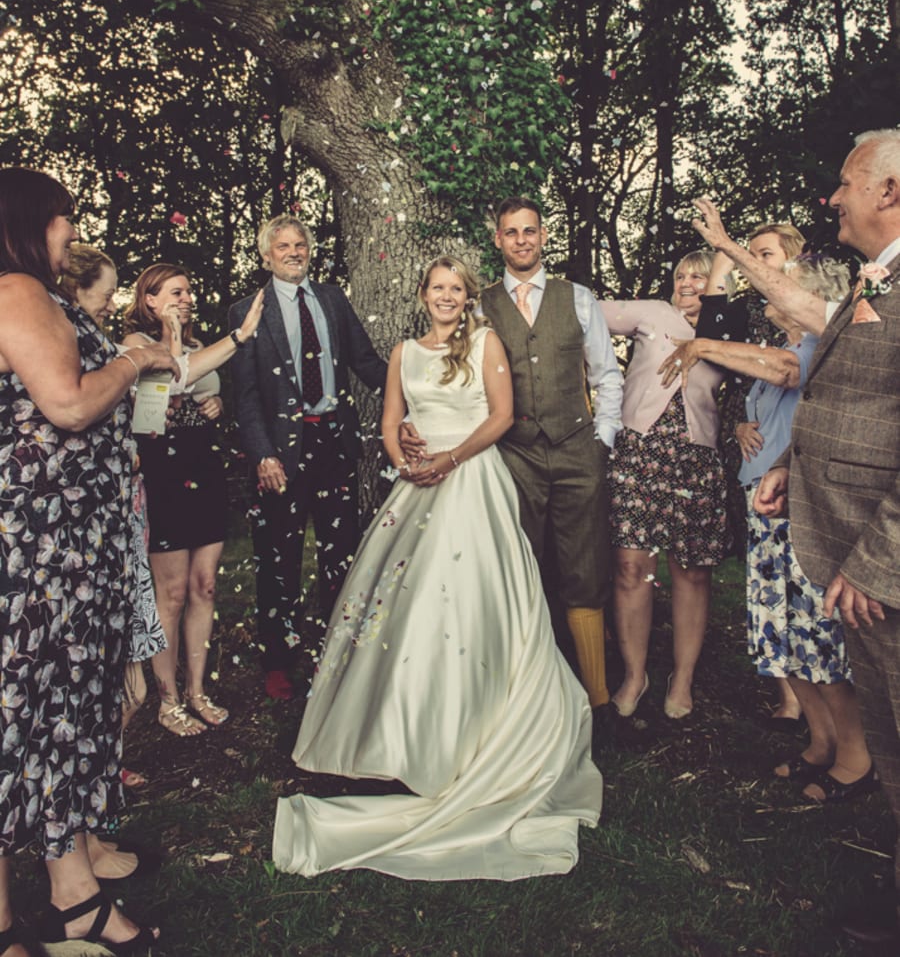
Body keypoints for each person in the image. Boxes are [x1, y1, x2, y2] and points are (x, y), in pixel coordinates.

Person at [272, 257, 603, 880]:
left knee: (470, 603)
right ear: (423, 294)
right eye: (437, 288)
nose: (446, 297)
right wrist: (403, 459)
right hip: (417, 486)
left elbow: (501, 416)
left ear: (465, 296)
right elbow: (389, 421)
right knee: (410, 609)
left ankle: (474, 731)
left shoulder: (484, 342)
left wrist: (449, 457)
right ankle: (404, 738)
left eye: (456, 289)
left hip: (472, 480)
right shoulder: (402, 351)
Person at [0, 167, 178, 956]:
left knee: (54, 717)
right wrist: (136, 362)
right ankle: (51, 910)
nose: (72, 231)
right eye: (63, 219)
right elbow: (67, 402)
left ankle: (69, 894)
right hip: (42, 553)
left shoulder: (38, 292)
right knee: (36, 713)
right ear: (29, 220)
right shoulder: (16, 291)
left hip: (68, 547)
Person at [754, 129, 900, 950]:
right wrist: (793, 469)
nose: (831, 197)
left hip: (884, 571)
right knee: (889, 734)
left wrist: (877, 563)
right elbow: (857, 405)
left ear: (887, 191)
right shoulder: (873, 281)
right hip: (847, 548)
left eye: (846, 183)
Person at [660, 256, 872, 800]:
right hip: (764, 504)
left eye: (784, 285)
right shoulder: (777, 345)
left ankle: (855, 757)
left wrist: (703, 344)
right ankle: (820, 743)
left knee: (816, 636)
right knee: (780, 635)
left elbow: (785, 372)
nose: (770, 292)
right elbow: (760, 395)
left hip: (804, 507)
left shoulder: (817, 347)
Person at [475, 197, 622, 748]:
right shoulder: (481, 307)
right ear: (498, 240)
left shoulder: (578, 299)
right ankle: (529, 699)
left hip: (577, 450)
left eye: (529, 231)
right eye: (510, 232)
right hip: (514, 457)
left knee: (586, 568)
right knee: (521, 571)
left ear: (543, 236)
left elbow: (607, 374)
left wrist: (601, 440)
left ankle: (599, 699)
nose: (521, 241)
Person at [228, 215, 387, 700]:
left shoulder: (333, 300)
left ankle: (335, 654)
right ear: (266, 255)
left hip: (334, 445)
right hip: (280, 452)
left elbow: (364, 360)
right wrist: (262, 454)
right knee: (279, 557)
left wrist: (419, 386)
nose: (293, 252)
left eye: (300, 244)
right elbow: (245, 393)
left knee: (341, 553)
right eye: (283, 246)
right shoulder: (245, 311)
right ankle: (279, 661)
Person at [122, 265, 264, 737]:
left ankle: (198, 690)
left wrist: (216, 406)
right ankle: (167, 699)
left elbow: (201, 383)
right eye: (176, 292)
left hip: (204, 469)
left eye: (189, 290)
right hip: (161, 474)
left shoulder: (204, 349)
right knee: (174, 592)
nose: (187, 297)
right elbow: (164, 388)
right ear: (150, 299)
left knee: (204, 585)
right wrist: (173, 337)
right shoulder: (133, 348)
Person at [601, 251, 726, 720]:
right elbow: (583, 312)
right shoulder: (652, 313)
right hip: (640, 452)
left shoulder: (726, 328)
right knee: (633, 566)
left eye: (700, 276)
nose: (688, 283)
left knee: (692, 570)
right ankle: (635, 675)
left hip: (696, 459)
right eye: (680, 275)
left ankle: (683, 678)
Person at [60, 245, 164, 789]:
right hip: (94, 528)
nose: (113, 302)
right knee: (118, 687)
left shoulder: (92, 340)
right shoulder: (80, 346)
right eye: (107, 293)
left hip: (121, 520)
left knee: (127, 687)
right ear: (77, 290)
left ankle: (92, 779)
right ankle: (86, 786)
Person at [694, 221, 805, 729]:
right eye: (749, 256)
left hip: (799, 476)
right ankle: (790, 694)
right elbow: (716, 335)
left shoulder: (816, 324)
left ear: (794, 262)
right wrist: (737, 420)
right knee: (768, 588)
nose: (752, 263)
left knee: (803, 591)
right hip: (756, 473)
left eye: (764, 254)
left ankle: (819, 692)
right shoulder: (759, 326)